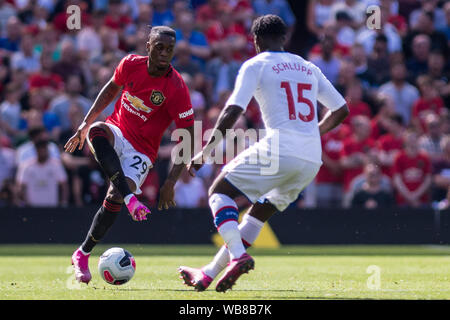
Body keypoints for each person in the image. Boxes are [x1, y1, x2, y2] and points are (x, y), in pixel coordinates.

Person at [178, 15, 349, 292]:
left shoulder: (256, 64)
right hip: (310, 159)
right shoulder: (308, 67)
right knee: (256, 215)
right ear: (284, 38)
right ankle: (209, 273)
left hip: (280, 148)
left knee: (219, 193)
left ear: (255, 40)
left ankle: (238, 256)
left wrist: (205, 152)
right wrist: (313, 133)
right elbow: (341, 109)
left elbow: (234, 110)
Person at [65, 26, 196, 284]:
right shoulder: (130, 64)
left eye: (169, 49)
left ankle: (82, 252)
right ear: (148, 45)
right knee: (96, 131)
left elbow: (188, 136)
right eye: (159, 47)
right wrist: (84, 123)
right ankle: (130, 199)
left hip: (143, 150)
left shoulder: (176, 87)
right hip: (118, 129)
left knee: (113, 196)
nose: (164, 53)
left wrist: (170, 181)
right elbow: (110, 91)